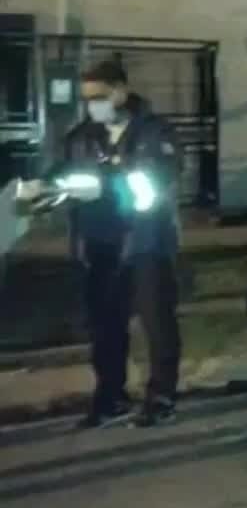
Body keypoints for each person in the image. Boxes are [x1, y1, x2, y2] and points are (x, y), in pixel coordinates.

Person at [62, 59, 183, 428]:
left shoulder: (154, 132)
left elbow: (159, 180)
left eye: (99, 96)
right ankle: (111, 396)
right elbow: (65, 177)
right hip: (101, 244)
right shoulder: (83, 137)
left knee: (156, 322)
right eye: (86, 98)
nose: (92, 104)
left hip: (146, 241)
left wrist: (114, 180)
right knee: (105, 326)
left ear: (121, 91)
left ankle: (161, 395)